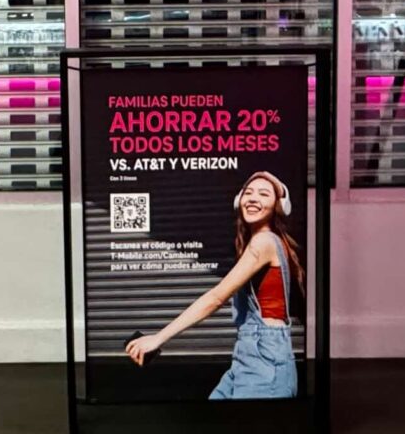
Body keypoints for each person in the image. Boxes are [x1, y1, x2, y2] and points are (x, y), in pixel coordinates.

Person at [124, 170, 304, 401]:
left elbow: (216, 298)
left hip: (264, 360)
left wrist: (158, 338)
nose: (253, 199)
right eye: (248, 192)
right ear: (239, 200)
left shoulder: (264, 242)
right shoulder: (268, 241)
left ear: (278, 206)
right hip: (251, 354)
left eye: (263, 194)